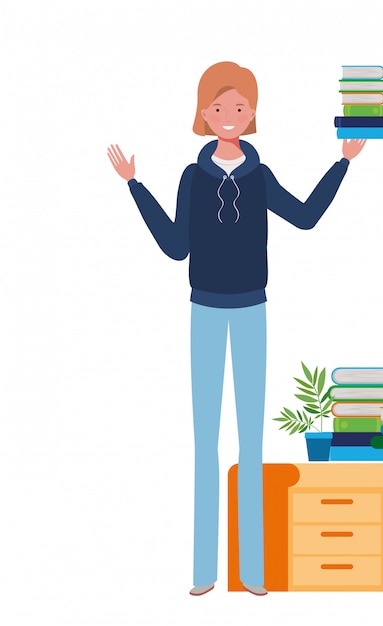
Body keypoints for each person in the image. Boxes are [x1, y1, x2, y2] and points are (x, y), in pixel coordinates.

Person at [107, 61, 366, 597]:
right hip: (204, 311)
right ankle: (205, 572)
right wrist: (135, 187)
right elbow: (176, 246)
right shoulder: (192, 177)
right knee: (207, 441)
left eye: (240, 108)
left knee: (251, 442)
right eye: (220, 107)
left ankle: (252, 572)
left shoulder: (260, 176)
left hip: (252, 312)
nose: (230, 116)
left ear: (252, 115)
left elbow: (306, 216)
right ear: (204, 114)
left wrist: (342, 164)